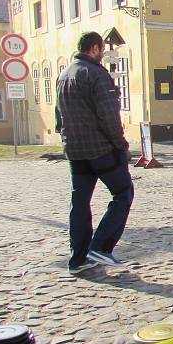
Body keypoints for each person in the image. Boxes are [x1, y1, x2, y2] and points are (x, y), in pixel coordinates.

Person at [55, 31, 133, 275]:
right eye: (101, 48)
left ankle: (77, 259)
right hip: (101, 149)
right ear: (95, 48)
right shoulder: (96, 74)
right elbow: (109, 116)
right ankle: (100, 246)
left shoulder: (64, 74)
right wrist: (121, 145)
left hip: (75, 150)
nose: (102, 53)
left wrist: (67, 138)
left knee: (79, 202)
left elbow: (59, 116)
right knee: (123, 193)